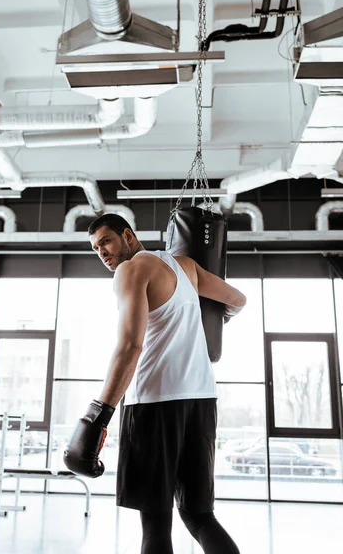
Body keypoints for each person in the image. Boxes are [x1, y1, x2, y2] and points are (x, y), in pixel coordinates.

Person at [64, 213, 246, 554]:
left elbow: (130, 347)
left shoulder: (130, 270)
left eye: (106, 241)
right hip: (202, 399)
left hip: (154, 402)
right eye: (95, 248)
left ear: (128, 236)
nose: (101, 252)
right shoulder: (186, 267)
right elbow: (237, 301)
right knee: (198, 515)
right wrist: (213, 321)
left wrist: (98, 414)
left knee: (156, 522)